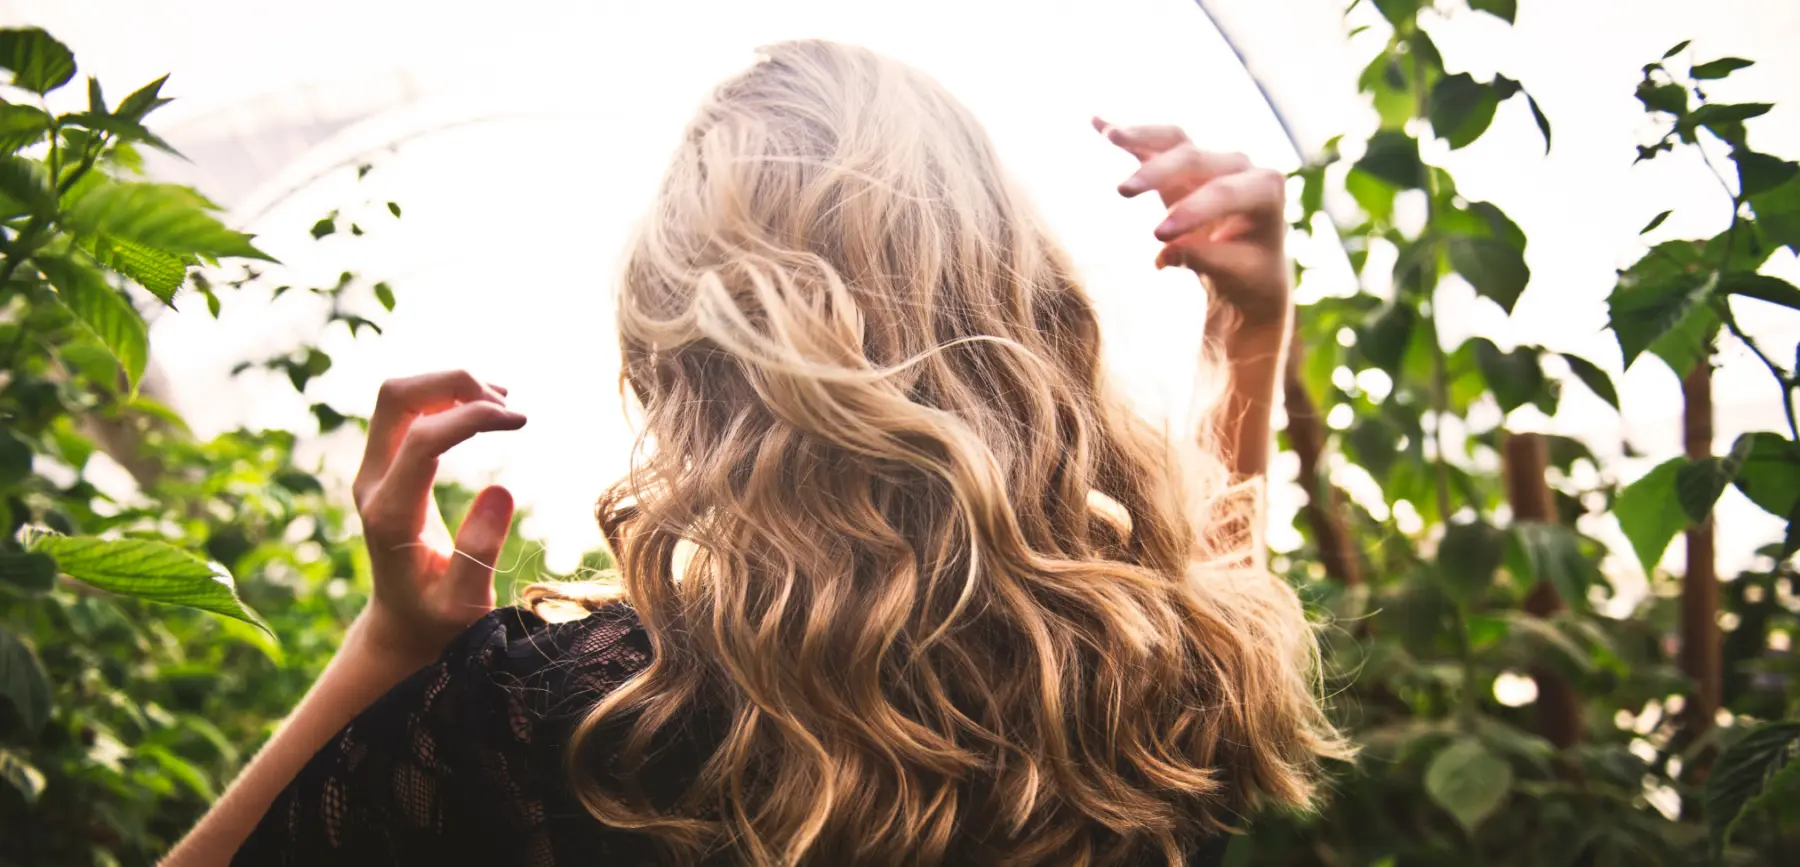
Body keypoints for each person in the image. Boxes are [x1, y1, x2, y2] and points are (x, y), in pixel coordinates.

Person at [167, 39, 1345, 867]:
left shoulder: (562, 724)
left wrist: (390, 647)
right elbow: (1207, 589)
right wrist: (1248, 334)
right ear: (1018, 305)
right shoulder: (1141, 680)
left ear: (678, 354)